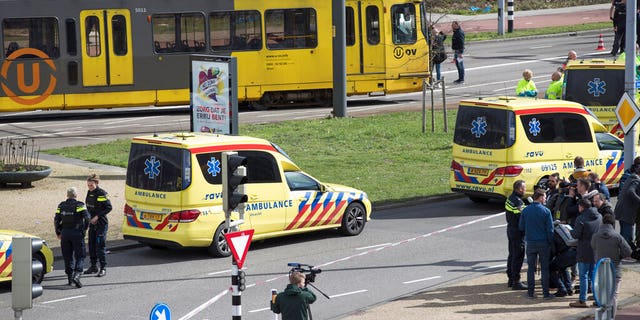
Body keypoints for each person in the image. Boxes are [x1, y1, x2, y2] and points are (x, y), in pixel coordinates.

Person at [591, 213, 632, 315]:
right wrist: (619, 256)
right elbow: (628, 251)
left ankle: (603, 315)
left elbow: (593, 247)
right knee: (613, 295)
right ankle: (611, 316)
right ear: (613, 223)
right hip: (615, 269)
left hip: (600, 269)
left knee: (603, 294)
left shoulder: (595, 236)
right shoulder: (617, 236)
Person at [519, 189, 555, 299]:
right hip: (543, 243)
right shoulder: (546, 211)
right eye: (544, 197)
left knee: (530, 268)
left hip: (530, 242)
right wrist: (551, 242)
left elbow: (521, 227)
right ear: (539, 197)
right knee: (544, 269)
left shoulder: (526, 211)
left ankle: (530, 292)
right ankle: (545, 293)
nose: (545, 199)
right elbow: (550, 230)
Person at [569, 199, 602, 308]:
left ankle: (582, 300)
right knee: (593, 274)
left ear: (582, 207)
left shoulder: (581, 218)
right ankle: (597, 298)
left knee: (583, 275)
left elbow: (576, 235)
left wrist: (570, 230)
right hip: (595, 249)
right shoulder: (599, 216)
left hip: (584, 249)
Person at [54, 187, 90, 288]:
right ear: (76, 195)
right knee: (80, 256)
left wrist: (58, 232)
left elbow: (56, 220)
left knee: (67, 256)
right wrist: (84, 230)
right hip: (77, 233)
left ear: (67, 195)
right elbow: (87, 218)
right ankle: (77, 275)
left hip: (65, 233)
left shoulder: (61, 205)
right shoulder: (80, 205)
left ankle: (70, 278)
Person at [84, 174, 112, 277]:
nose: (89, 187)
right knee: (91, 245)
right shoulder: (89, 192)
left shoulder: (102, 193)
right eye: (88, 185)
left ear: (96, 183)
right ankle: (93, 266)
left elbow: (109, 207)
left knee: (100, 246)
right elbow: (88, 207)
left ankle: (103, 268)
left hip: (101, 224)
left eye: (91, 185)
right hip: (92, 224)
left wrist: (97, 217)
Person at [505, 180, 527, 290]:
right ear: (519, 189)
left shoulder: (510, 198)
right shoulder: (518, 202)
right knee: (518, 255)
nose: (526, 190)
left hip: (511, 229)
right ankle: (516, 281)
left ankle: (510, 278)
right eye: (524, 188)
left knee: (512, 254)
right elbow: (523, 217)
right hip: (517, 232)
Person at [613, 163, 640, 249]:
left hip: (623, 210)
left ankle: (624, 253)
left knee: (625, 234)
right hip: (626, 212)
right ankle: (625, 255)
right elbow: (630, 191)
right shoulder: (636, 179)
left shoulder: (631, 177)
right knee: (626, 235)